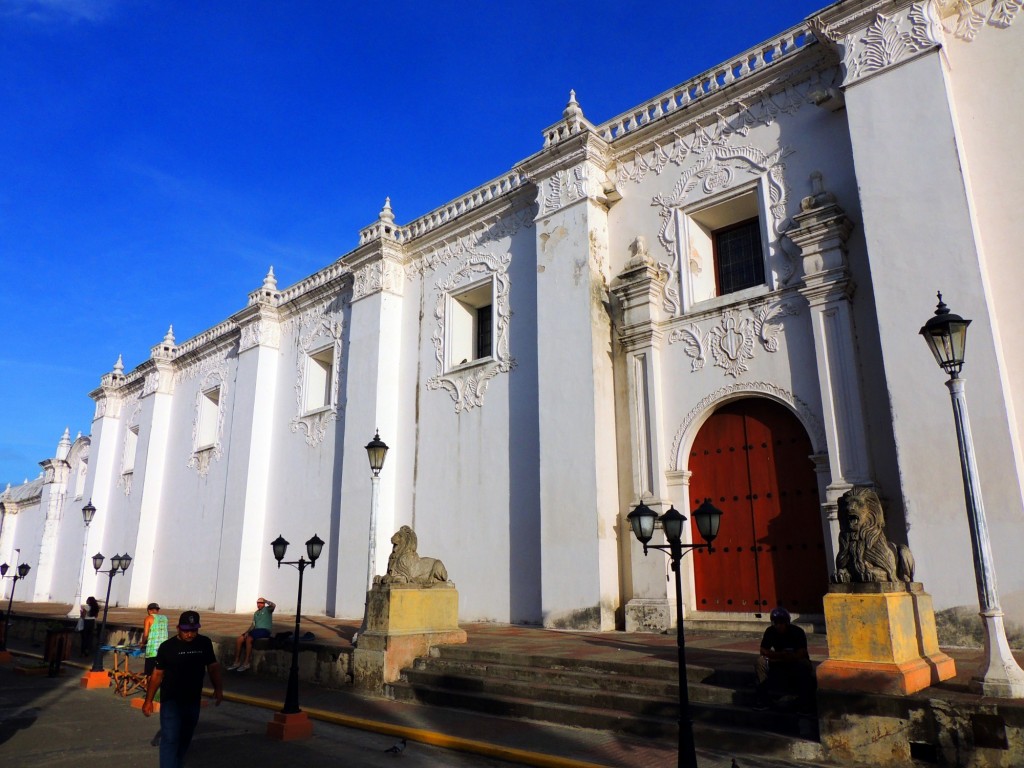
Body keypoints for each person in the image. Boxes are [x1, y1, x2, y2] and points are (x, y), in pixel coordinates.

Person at [142, 610, 223, 768]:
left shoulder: (204, 643)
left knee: (185, 737)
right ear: (178, 627)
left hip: (193, 700)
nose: (190, 634)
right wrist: (148, 701)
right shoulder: (167, 647)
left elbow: (213, 667)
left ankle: (176, 764)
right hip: (171, 700)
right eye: (186, 630)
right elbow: (157, 674)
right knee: (170, 738)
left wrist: (218, 689)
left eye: (194, 630)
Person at [754, 606, 816, 712]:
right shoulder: (770, 631)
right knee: (760, 661)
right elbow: (763, 650)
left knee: (803, 665)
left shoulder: (797, 632)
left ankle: (805, 703)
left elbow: (801, 653)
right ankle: (763, 700)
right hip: (779, 660)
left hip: (796, 660)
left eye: (781, 623)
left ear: (787, 622)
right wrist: (779, 655)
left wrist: (786, 656)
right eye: (775, 623)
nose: (778, 626)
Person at [226, 596, 275, 672]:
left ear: (264, 604)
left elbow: (273, 605)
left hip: (265, 630)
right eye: (258, 603)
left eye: (261, 603)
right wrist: (247, 632)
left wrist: (265, 600)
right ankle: (236, 661)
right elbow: (253, 625)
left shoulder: (267, 610)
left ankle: (246, 662)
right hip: (256, 631)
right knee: (239, 639)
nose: (259, 604)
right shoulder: (256, 613)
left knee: (249, 638)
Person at [142, 602, 168, 677]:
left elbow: (146, 634)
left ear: (149, 611)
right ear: (157, 610)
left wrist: (142, 643)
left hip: (152, 650)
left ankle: (150, 687)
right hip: (164, 649)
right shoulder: (165, 618)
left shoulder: (149, 618)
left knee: (149, 673)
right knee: (160, 672)